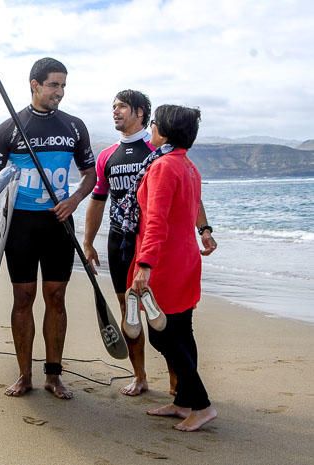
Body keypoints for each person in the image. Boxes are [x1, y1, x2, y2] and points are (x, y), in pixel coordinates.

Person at [0, 57, 96, 399]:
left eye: (64, 85)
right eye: (54, 84)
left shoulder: (74, 127)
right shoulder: (10, 128)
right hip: (20, 225)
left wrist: (75, 200)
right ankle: (24, 374)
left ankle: (53, 375)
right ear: (34, 84)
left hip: (58, 223)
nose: (60, 92)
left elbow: (90, 174)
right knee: (23, 297)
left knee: (56, 297)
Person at [83, 90, 217, 396]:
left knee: (164, 314)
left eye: (121, 107)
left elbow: (190, 198)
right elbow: (99, 200)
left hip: (153, 243)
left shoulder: (159, 151)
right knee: (128, 308)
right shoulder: (107, 156)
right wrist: (88, 241)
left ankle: (178, 384)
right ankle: (139, 375)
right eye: (113, 106)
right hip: (120, 239)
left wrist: (204, 229)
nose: (114, 111)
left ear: (141, 112)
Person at [127, 104, 217, 431]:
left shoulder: (164, 166)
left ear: (163, 131)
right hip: (186, 259)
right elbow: (188, 213)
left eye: (153, 124)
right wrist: (205, 234)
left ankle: (202, 405)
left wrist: (145, 264)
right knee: (182, 331)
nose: (150, 128)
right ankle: (183, 402)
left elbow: (156, 221)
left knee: (164, 337)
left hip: (165, 262)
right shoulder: (188, 166)